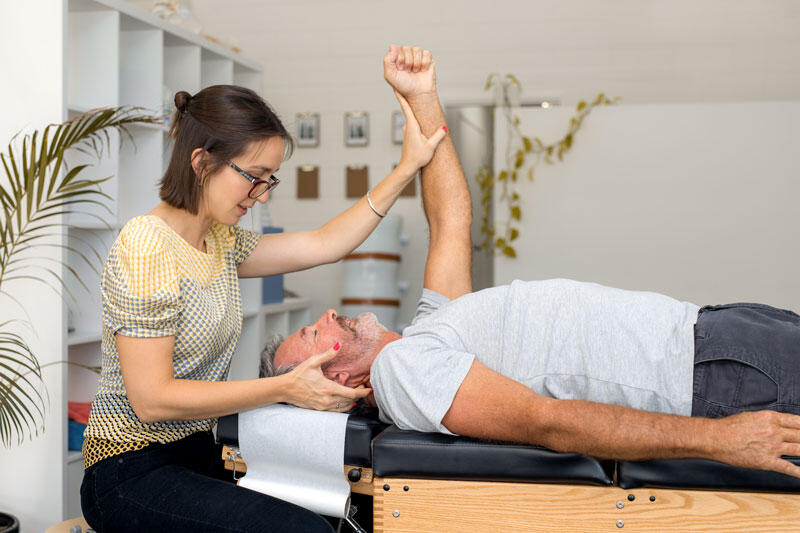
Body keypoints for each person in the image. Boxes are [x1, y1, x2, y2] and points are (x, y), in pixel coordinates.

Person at [264, 45, 800, 480]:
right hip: (712, 379)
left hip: (716, 336)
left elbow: (450, 220)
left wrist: (423, 99)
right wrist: (721, 439)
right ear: (336, 381)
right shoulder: (403, 373)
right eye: (312, 334)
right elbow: (549, 423)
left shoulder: (426, 338)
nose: (326, 316)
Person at [80, 58, 448, 532]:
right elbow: (152, 399)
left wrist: (406, 168)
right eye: (254, 175)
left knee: (339, 517)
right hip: (129, 471)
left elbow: (324, 244)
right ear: (201, 162)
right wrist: (284, 387)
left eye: (269, 178)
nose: (262, 194)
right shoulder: (147, 246)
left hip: (196, 454)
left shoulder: (218, 241)